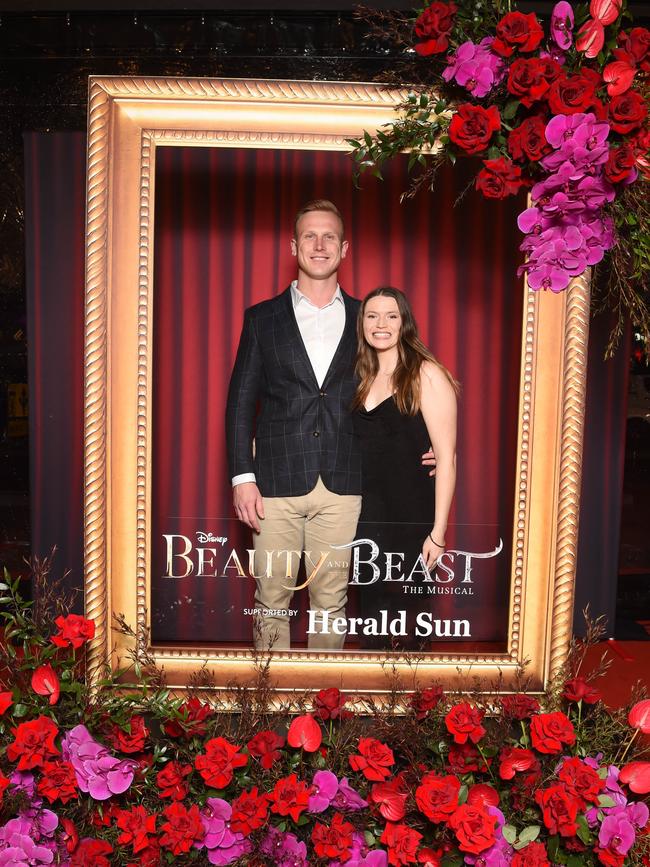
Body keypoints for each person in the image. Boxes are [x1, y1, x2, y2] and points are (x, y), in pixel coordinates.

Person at [225, 200, 363, 651]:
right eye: (309, 236)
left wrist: (430, 443)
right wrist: (243, 477)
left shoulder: (370, 319)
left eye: (329, 237)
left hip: (344, 483)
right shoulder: (262, 319)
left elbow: (396, 390)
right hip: (273, 486)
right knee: (271, 601)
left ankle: (323, 715)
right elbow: (240, 404)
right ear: (293, 246)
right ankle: (271, 712)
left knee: (331, 602)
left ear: (344, 249)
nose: (319, 245)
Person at [351, 286, 458, 650]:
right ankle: (372, 704)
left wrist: (438, 533)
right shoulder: (359, 375)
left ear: (404, 323)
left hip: (412, 518)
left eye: (391, 316)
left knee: (411, 624)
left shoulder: (425, 374)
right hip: (365, 520)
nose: (381, 324)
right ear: (362, 323)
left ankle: (414, 705)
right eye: (372, 316)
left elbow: (446, 458)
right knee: (370, 620)